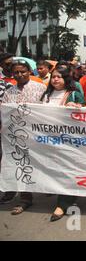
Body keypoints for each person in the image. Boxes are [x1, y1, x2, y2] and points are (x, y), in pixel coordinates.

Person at [0, 59, 47, 213]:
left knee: (40, 164)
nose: (19, 75)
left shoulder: (40, 88)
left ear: (29, 72)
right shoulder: (9, 92)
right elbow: (5, 114)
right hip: (16, 136)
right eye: (16, 72)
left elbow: (48, 111)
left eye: (22, 72)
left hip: (36, 134)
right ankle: (25, 198)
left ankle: (47, 188)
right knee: (21, 165)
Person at [40, 66, 85, 221]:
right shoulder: (46, 95)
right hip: (48, 140)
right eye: (53, 77)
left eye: (59, 76)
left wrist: (78, 108)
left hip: (68, 141)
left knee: (67, 170)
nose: (55, 79)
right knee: (55, 170)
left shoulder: (74, 94)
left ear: (66, 79)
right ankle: (69, 196)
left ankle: (62, 204)